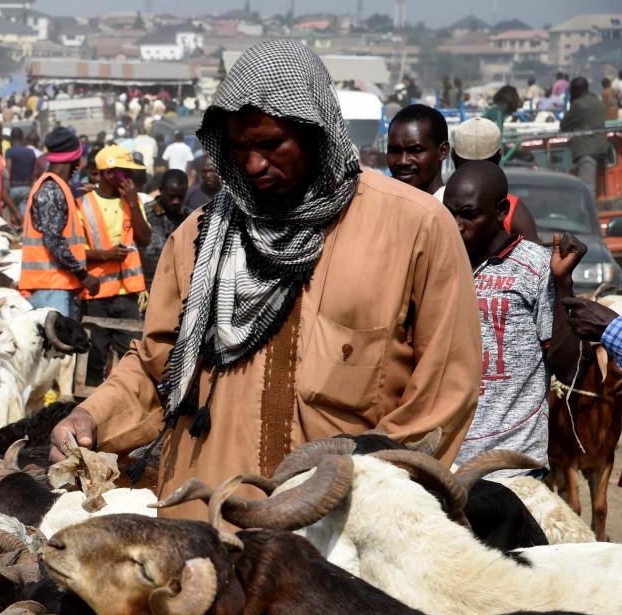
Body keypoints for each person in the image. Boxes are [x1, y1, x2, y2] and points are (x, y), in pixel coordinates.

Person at [50, 41, 480, 512]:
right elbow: (158, 368)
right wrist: (92, 415)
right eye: (240, 149)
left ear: (318, 133)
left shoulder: (413, 228)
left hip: (335, 544)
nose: (254, 166)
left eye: (271, 145)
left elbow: (444, 392)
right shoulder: (199, 238)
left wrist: (364, 495)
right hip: (205, 533)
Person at [443, 162, 573, 471]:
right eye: (450, 214)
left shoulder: (537, 267)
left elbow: (567, 366)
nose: (457, 225)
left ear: (501, 211)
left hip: (513, 463)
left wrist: (564, 285)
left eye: (469, 214)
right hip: (446, 461)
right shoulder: (438, 262)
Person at [80, 145, 151, 386]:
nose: (130, 177)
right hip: (97, 295)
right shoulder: (84, 205)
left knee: (134, 358)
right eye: (124, 171)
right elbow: (74, 252)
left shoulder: (133, 200)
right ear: (110, 173)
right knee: (95, 357)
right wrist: (105, 255)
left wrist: (132, 202)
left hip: (128, 295)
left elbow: (145, 239)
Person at [18, 126, 99, 317]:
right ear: (74, 160)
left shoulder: (56, 187)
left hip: (55, 286)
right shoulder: (51, 189)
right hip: (50, 287)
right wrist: (83, 275)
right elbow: (54, 240)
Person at [447, 118, 540, 242]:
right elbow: (534, 256)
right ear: (499, 156)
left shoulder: (434, 203)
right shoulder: (513, 210)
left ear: (453, 156)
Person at [385, 104, 450, 195]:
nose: (403, 161)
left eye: (415, 151)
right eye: (395, 151)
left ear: (443, 151)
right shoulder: (379, 205)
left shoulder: (451, 208)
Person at [560, 77, 607, 197]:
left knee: (587, 188)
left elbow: (564, 125)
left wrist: (571, 102)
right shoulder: (598, 102)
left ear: (575, 90)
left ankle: (589, 215)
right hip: (601, 149)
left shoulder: (578, 105)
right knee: (598, 188)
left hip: (587, 151)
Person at [142, 169, 190, 288]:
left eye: (180, 197)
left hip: (177, 286)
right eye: (171, 196)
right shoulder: (144, 213)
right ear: (161, 190)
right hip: (147, 284)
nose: (176, 201)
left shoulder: (190, 218)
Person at [5, 127, 37, 216]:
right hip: (26, 187)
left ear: (11, 139)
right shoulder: (31, 152)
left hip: (13, 188)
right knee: (24, 214)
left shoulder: (9, 152)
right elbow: (34, 171)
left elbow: (8, 171)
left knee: (11, 215)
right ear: (22, 138)